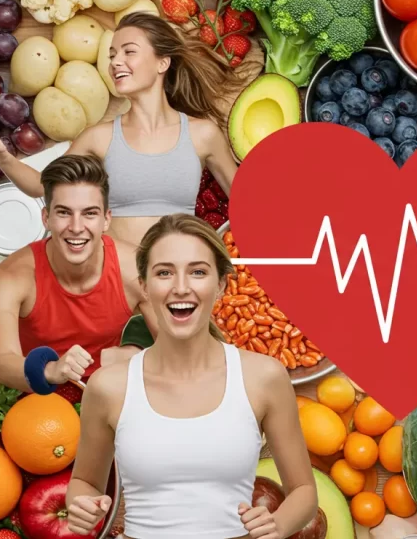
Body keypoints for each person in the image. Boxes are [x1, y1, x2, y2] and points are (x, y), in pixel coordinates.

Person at [0, 11, 242, 350]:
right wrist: (5, 160)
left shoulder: (203, 134)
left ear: (162, 63)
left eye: (128, 52)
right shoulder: (99, 138)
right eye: (112, 55)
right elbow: (45, 187)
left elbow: (247, 204)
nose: (116, 62)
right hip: (116, 293)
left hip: (179, 287)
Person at [63, 214, 318, 539]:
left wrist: (278, 526)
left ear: (222, 283)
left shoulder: (263, 377)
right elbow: (84, 482)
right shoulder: (109, 386)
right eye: (164, 273)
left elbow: (304, 492)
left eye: (198, 272)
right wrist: (81, 506)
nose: (181, 287)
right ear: (144, 285)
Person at [0, 154, 157, 393]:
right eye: (64, 213)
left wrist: (137, 354)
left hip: (111, 386)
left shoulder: (137, 268)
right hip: (33, 385)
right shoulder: (11, 276)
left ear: (106, 220)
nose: (76, 227)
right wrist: (51, 370)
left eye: (89, 213)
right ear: (46, 218)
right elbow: (1, 361)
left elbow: (179, 346)